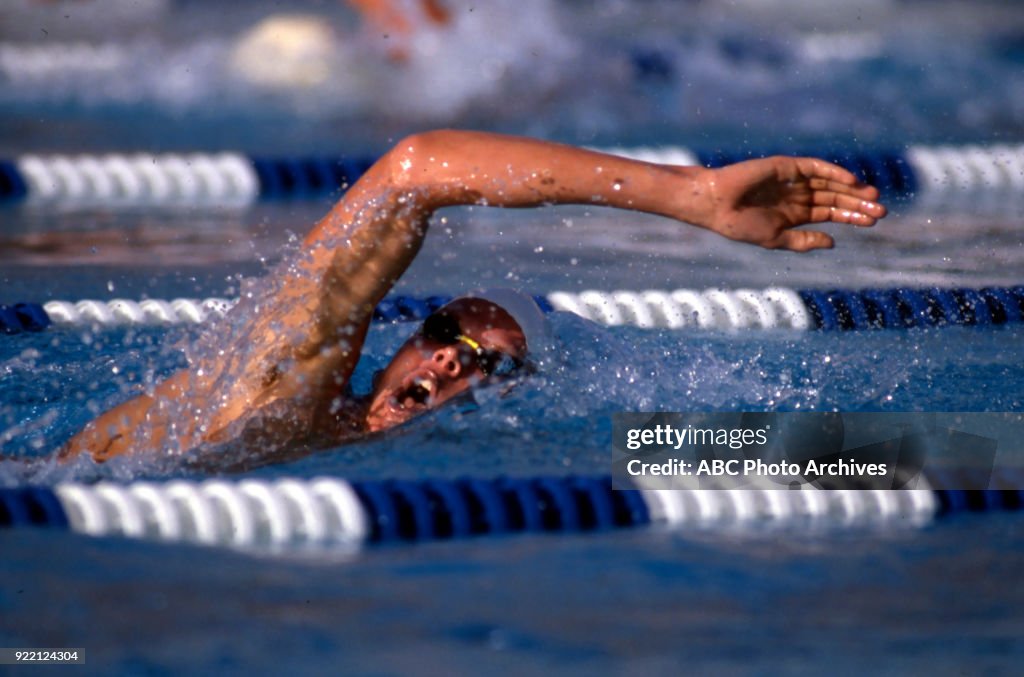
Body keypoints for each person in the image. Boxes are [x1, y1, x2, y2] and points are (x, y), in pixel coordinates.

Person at [58, 130, 887, 467]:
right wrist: (689, 196)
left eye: (490, 363)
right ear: (406, 341)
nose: (453, 355)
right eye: (446, 329)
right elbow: (414, 171)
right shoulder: (285, 387)